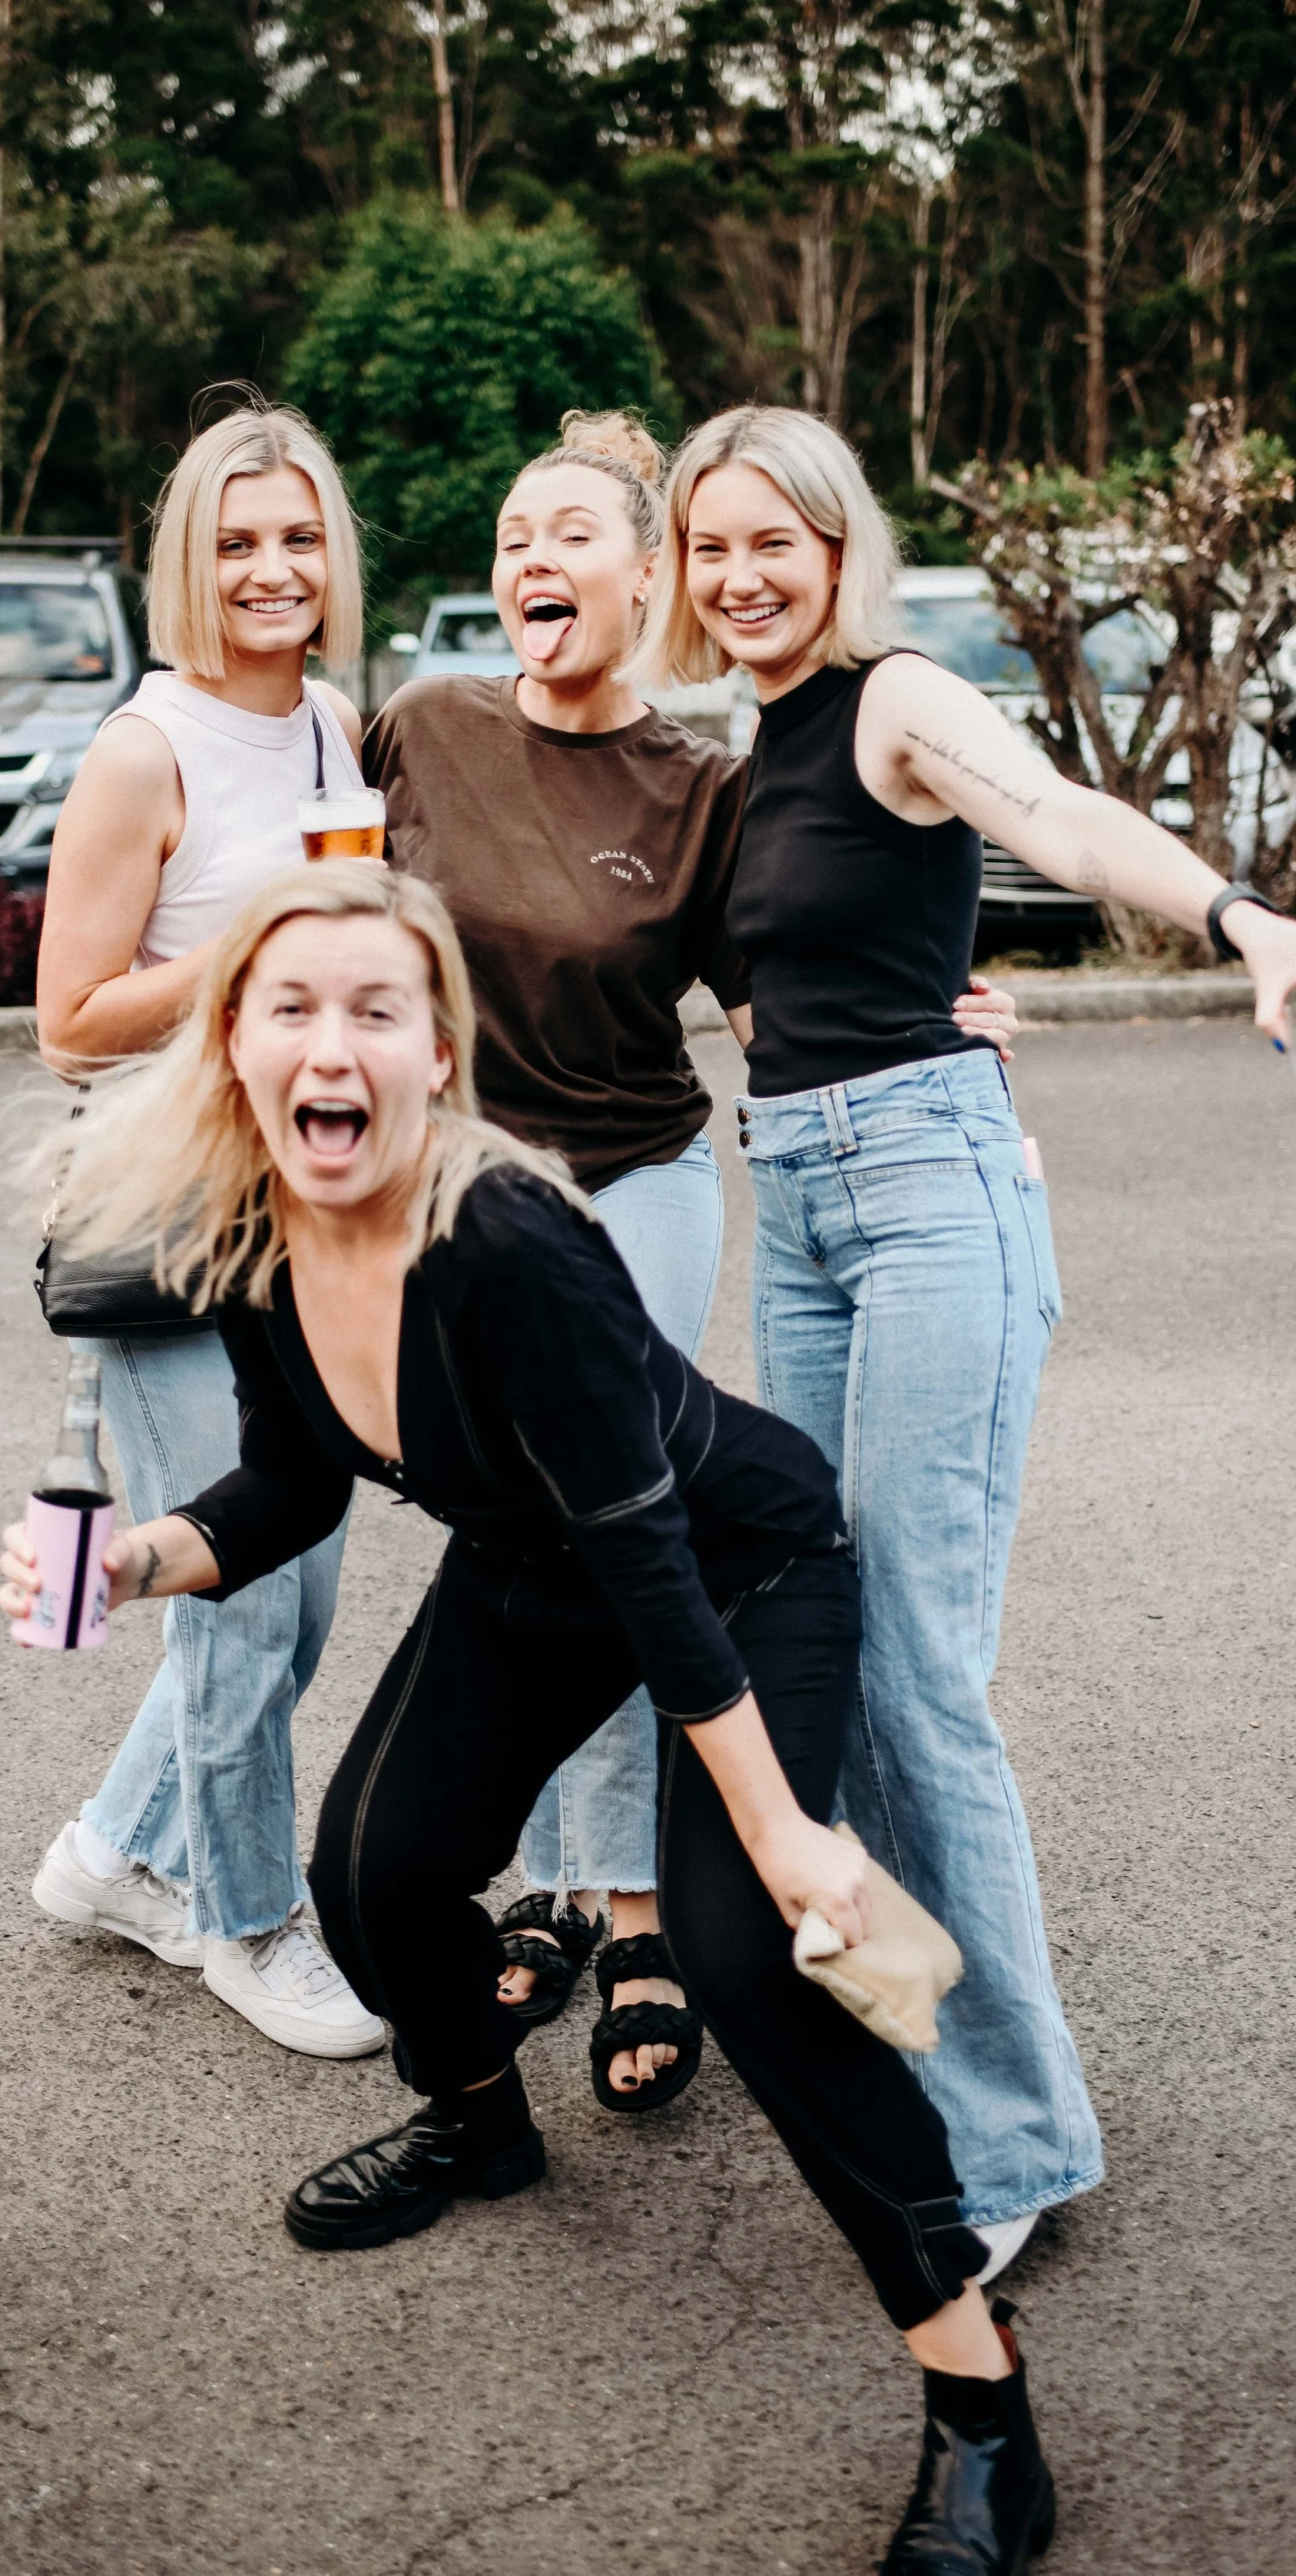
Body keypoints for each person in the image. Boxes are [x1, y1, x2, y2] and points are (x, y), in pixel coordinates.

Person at [0, 861, 1061, 2574]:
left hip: (735, 1563)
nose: (330, 1043)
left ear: (435, 1055)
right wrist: (136, 1562)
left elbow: (653, 1567)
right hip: (530, 1559)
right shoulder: (254, 1235)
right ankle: (478, 2122)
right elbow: (288, 1477)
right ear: (234, 1047)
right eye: (291, 1006)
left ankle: (980, 2409)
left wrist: (787, 1840)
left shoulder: (506, 1248)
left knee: (746, 1962)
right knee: (375, 1872)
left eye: (374, 1010)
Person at [632, 401, 1296, 2277]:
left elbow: (1046, 813)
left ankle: (1009, 2144)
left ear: (838, 554)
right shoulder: (760, 744)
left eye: (774, 545)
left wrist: (1234, 915)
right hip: (808, 1204)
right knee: (827, 1621)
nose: (740, 578)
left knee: (912, 1665)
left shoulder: (896, 696)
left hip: (921, 1201)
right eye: (710, 547)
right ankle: (915, 2033)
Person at [365, 407, 1017, 2110]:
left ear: (642, 576)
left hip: (631, 1184)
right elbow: (315, 925)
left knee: (618, 1534)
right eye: (509, 537)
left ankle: (644, 1919)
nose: (527, 562)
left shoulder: (701, 784)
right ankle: (573, 1883)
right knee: (520, 1546)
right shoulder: (420, 728)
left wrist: (935, 1031)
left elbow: (774, 997)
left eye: (565, 535)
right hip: (452, 1209)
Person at [27, 397, 383, 2061]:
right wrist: (253, 933)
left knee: (296, 1590)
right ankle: (250, 1922)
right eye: (236, 542)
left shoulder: (335, 729)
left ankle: (111, 1854)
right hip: (170, 1220)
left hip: (305, 1213)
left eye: (297, 535)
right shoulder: (142, 748)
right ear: (190, 562)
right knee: (243, 1601)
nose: (270, 567)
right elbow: (69, 1015)